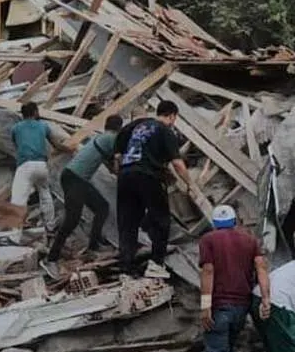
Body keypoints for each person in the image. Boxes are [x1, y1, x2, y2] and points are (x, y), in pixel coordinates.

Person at [199, 204, 271, 352]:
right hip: (241, 306)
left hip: (219, 305)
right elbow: (261, 268)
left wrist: (205, 305)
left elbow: (208, 270)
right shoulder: (250, 241)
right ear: (234, 221)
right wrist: (266, 298)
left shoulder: (208, 240)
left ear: (215, 223)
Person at [114, 100, 193, 277]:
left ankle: (126, 267)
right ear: (172, 116)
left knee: (128, 222)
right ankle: (156, 264)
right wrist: (190, 184)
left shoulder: (130, 127)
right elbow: (177, 164)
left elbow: (117, 158)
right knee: (162, 220)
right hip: (148, 176)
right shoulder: (165, 130)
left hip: (125, 176)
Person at [47, 115, 121, 263]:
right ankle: (52, 255)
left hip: (74, 177)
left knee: (102, 207)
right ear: (118, 128)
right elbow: (118, 161)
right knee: (72, 219)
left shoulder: (100, 137)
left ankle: (94, 244)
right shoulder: (111, 138)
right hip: (75, 178)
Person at [10, 102, 71, 230]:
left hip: (25, 165)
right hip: (41, 165)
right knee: (45, 194)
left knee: (18, 198)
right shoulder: (43, 126)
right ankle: (50, 226)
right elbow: (56, 144)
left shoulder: (16, 128)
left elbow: (16, 146)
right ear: (35, 112)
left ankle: (15, 229)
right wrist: (69, 149)